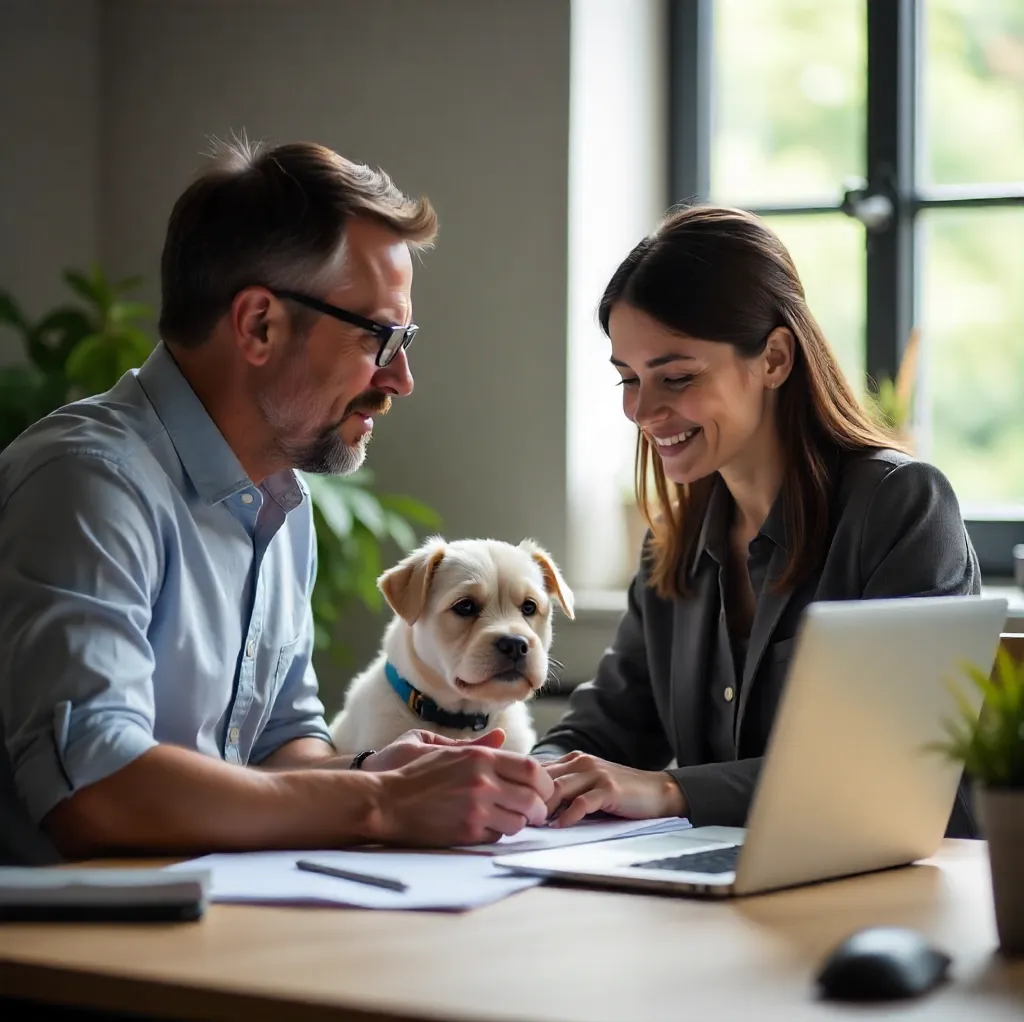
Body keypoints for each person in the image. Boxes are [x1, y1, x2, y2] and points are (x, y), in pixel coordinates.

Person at [0, 139, 552, 865]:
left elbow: (276, 744)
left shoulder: (281, 502)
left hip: (220, 921)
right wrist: (381, 801)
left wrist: (381, 771)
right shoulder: (88, 481)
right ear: (259, 324)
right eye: (379, 338)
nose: (402, 379)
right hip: (68, 956)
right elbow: (94, 790)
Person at [533, 205, 980, 838]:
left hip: (883, 891)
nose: (642, 409)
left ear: (774, 358)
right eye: (627, 379)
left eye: (676, 376)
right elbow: (606, 727)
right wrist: (529, 778)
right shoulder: (673, 547)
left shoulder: (899, 507)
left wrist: (669, 790)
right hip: (722, 896)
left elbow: (889, 770)